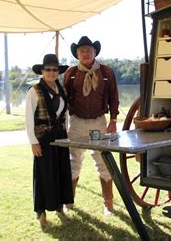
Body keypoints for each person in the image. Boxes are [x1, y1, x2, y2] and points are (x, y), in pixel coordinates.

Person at [64, 36, 119, 215]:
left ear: (95, 52)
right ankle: (69, 201)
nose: (86, 53)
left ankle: (108, 203)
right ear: (77, 54)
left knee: (103, 160)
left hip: (98, 123)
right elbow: (63, 100)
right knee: (74, 161)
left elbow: (113, 96)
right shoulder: (70, 73)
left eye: (89, 50)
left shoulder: (106, 72)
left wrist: (113, 119)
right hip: (77, 123)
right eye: (82, 51)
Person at [25, 54, 74, 228]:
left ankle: (60, 208)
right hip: (43, 138)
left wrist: (67, 133)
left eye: (55, 70)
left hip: (61, 136)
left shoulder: (62, 90)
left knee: (61, 172)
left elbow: (65, 115)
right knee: (44, 174)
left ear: (58, 72)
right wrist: (33, 142)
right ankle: (41, 213)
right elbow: (28, 119)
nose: (52, 73)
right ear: (42, 71)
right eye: (48, 70)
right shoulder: (34, 90)